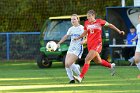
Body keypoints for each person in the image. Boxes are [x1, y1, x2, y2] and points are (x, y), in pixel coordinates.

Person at [73, 10, 125, 83]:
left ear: (93, 16)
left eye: (89, 16)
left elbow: (110, 25)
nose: (88, 18)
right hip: (90, 45)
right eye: (87, 17)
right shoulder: (86, 23)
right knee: (98, 61)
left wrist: (119, 31)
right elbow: (85, 32)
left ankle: (80, 77)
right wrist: (78, 38)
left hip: (97, 44)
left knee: (87, 59)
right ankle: (111, 66)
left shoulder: (100, 21)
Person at [57, 14, 85, 83]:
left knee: (69, 63)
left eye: (74, 19)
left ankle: (80, 75)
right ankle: (71, 79)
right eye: (71, 19)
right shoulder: (71, 29)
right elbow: (66, 36)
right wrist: (59, 43)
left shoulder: (82, 28)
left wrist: (84, 41)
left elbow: (87, 37)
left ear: (78, 19)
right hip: (71, 48)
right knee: (66, 64)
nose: (73, 20)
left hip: (78, 48)